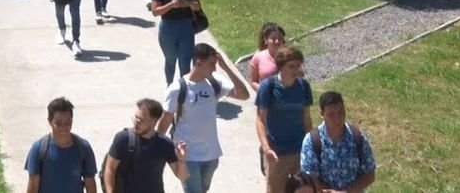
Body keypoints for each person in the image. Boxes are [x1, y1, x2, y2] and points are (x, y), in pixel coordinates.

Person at [155, 43, 251, 193]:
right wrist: (156, 149)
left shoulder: (214, 83)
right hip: (187, 155)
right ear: (198, 62)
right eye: (212, 64)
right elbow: (165, 121)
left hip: (211, 155)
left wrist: (226, 67)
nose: (215, 68)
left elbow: (244, 95)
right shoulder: (177, 89)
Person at [256, 46, 314, 193]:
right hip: (277, 152)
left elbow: (306, 118)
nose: (296, 70)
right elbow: (260, 120)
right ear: (281, 67)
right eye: (291, 66)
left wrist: (311, 145)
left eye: (298, 65)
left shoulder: (304, 86)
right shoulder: (268, 87)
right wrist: (266, 148)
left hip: (300, 150)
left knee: (304, 189)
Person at [103, 98, 188, 193]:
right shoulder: (123, 139)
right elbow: (110, 168)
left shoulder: (164, 144)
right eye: (135, 117)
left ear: (153, 122)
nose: (136, 122)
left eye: (141, 120)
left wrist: (182, 161)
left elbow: (182, 176)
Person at [298, 91, 377, 192]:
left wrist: (346, 192)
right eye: (331, 115)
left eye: (341, 113)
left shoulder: (358, 137)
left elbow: (370, 175)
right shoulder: (312, 141)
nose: (337, 119)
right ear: (322, 114)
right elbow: (309, 179)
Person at [24, 97, 98, 193]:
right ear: (50, 122)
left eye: (68, 122)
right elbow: (33, 185)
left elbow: (90, 184)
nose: (64, 127)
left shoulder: (83, 148)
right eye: (58, 123)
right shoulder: (38, 149)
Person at [151, 0, 201, 84]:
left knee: (185, 61)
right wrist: (171, 5)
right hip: (168, 29)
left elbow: (197, 6)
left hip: (186, 28)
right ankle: (170, 85)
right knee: (170, 60)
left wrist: (188, 3)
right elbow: (155, 11)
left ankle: (184, 88)